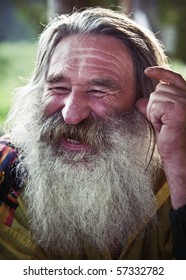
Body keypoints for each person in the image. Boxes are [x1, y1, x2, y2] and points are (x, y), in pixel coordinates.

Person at [0, 7, 186, 260]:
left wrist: (179, 166)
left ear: (146, 101)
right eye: (59, 87)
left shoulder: (176, 166)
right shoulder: (6, 176)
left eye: (98, 91)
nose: (71, 115)